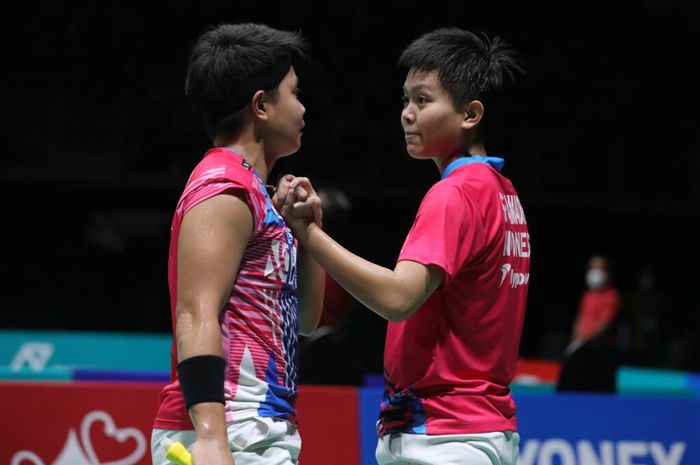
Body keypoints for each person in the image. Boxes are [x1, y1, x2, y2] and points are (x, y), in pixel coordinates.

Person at [280, 27, 528, 465]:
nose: (407, 115)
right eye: (405, 100)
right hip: (482, 430)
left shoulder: (455, 194)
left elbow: (399, 298)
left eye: (423, 100)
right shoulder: (502, 193)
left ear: (470, 114)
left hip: (443, 436)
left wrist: (310, 235)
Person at [150, 23, 325, 465]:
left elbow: (305, 320)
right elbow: (195, 312)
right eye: (294, 92)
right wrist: (210, 435)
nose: (304, 107)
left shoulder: (257, 195)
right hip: (226, 425)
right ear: (261, 105)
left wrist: (309, 232)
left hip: (261, 424)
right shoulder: (223, 188)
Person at [557, 254, 620, 392]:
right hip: (580, 350)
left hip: (599, 354)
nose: (595, 272)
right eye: (592, 268)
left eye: (600, 268)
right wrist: (574, 343)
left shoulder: (611, 295)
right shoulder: (587, 295)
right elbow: (580, 320)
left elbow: (605, 324)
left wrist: (582, 342)